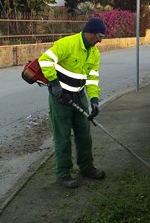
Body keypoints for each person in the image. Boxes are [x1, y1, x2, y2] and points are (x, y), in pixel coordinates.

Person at [38, 16, 106, 189]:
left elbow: (92, 78)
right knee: (63, 137)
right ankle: (63, 173)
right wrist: (54, 84)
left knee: (84, 134)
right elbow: (45, 60)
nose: (99, 41)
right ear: (89, 33)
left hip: (79, 96)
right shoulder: (67, 44)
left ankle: (86, 166)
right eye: (98, 37)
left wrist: (94, 100)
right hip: (60, 98)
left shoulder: (94, 52)